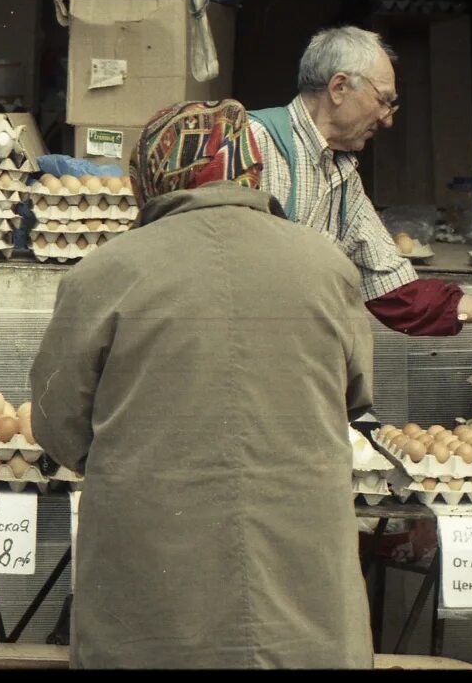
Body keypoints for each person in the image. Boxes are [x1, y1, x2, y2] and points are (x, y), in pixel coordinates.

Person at [30, 100, 375, 669]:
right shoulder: (325, 265)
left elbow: (58, 426)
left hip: (154, 597)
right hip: (299, 593)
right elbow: (357, 395)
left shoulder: (104, 273)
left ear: (151, 178)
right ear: (253, 168)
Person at [247, 25, 472, 349]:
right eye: (383, 101)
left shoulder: (343, 179)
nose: (388, 119)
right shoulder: (250, 144)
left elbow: (394, 290)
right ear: (339, 88)